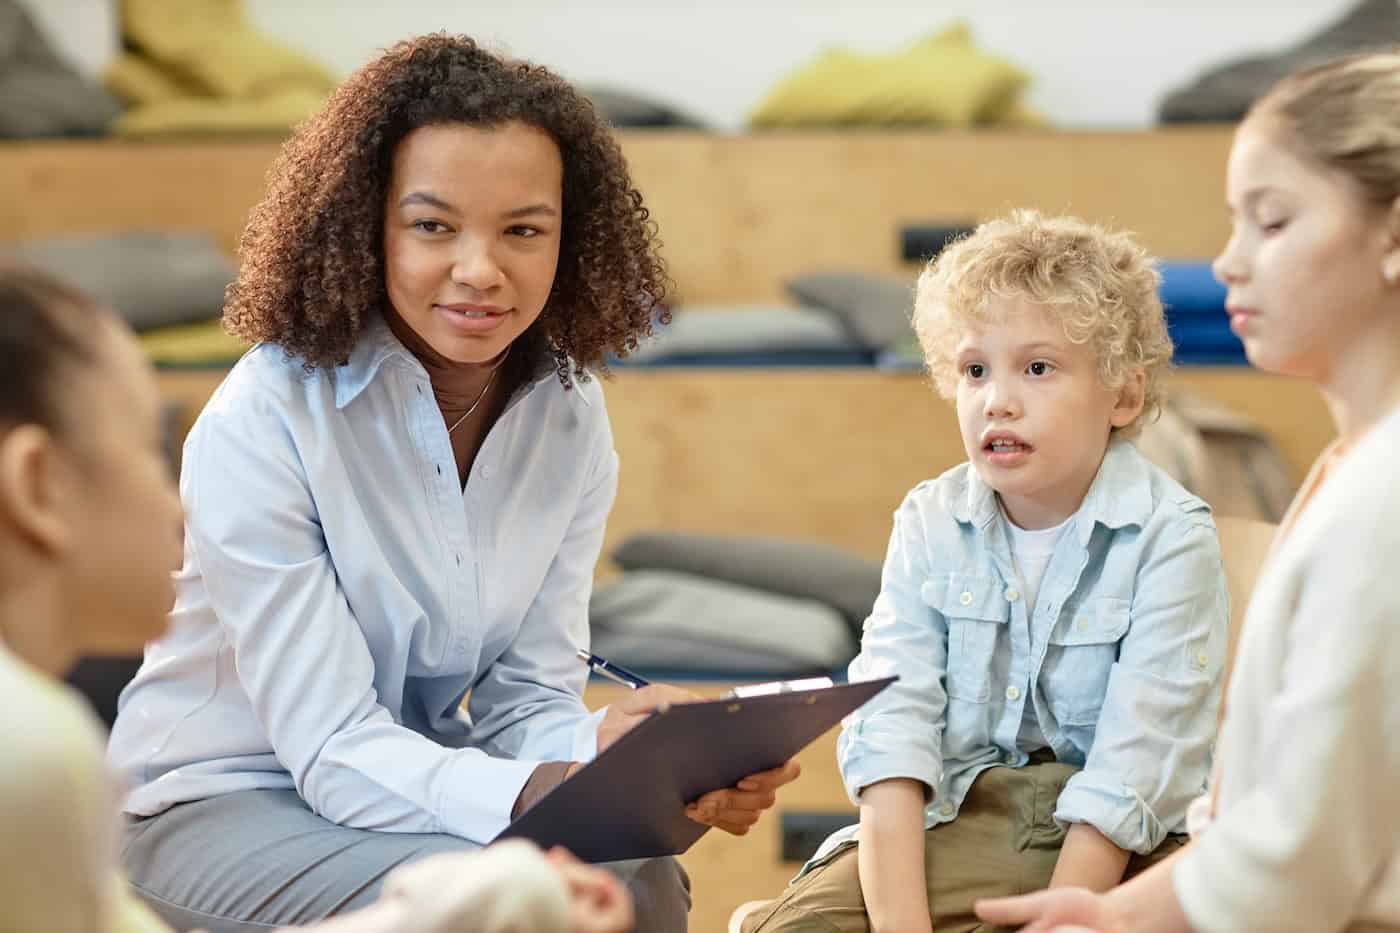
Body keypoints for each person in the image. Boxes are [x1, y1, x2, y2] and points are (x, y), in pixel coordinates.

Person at [105, 34, 796, 933]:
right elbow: (333, 748)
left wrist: (625, 752)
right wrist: (547, 788)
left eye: (523, 230)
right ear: (368, 227)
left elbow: (526, 701)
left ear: (568, 238)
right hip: (213, 808)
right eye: (433, 226)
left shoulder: (568, 414)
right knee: (542, 896)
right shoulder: (264, 418)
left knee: (640, 871)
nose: (481, 270)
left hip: (403, 789)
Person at [0, 264, 634, 933]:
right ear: (40, 486)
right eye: (147, 452)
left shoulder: (36, 736)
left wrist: (466, 899)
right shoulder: (33, 752)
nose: (176, 505)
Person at [976, 50, 1400, 933]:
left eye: (1273, 222)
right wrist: (1106, 910)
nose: (1228, 263)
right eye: (1234, 223)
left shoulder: (1385, 498)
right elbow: (1262, 818)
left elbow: (1300, 861)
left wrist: (1120, 921)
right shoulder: (1352, 468)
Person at [742, 211, 1230, 933]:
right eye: (975, 369)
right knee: (791, 926)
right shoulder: (929, 519)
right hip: (965, 815)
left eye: (1037, 367)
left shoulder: (1172, 537)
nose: (996, 398)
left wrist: (1059, 922)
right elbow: (892, 730)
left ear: (1122, 395)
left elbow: (1135, 771)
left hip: (1126, 841)